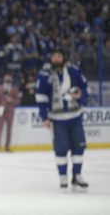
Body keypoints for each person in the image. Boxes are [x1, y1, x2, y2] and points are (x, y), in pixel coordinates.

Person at [37, 48, 89, 190]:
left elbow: (85, 88)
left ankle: (77, 175)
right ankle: (63, 176)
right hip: (57, 119)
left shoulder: (74, 71)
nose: (57, 59)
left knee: (79, 147)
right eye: (54, 56)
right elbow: (41, 97)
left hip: (75, 116)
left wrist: (81, 96)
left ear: (63, 57)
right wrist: (44, 117)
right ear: (51, 58)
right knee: (61, 148)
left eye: (59, 56)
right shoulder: (44, 74)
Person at [0, 73, 20, 152]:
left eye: (9, 78)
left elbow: (18, 101)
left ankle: (7, 147)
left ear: (11, 79)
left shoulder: (14, 89)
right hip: (1, 110)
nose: (8, 79)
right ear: (4, 79)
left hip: (10, 110)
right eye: (6, 78)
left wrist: (11, 100)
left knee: (9, 130)